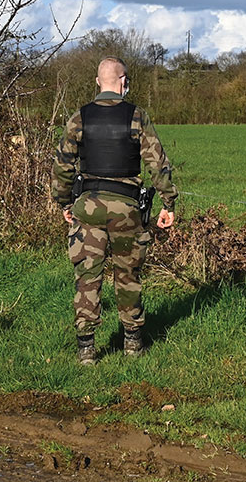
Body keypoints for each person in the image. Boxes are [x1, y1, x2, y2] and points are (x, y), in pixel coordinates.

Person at [51, 56, 178, 365]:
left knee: (87, 276)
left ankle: (86, 348)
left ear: (98, 82)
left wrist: (64, 202)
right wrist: (169, 202)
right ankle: (133, 342)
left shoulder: (79, 118)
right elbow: (157, 163)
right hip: (126, 208)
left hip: (88, 206)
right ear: (124, 82)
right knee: (128, 274)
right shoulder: (137, 116)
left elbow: (63, 166)